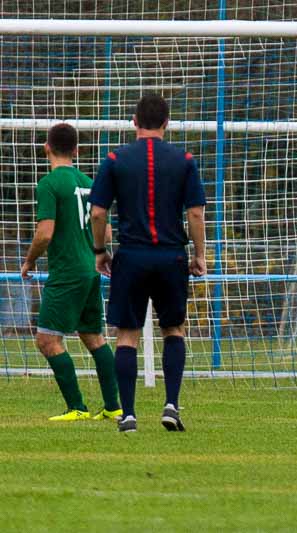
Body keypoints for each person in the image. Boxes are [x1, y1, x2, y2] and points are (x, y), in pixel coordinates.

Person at [89, 94, 207, 433]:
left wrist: (100, 250)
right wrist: (199, 254)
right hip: (171, 256)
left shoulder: (115, 159)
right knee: (173, 329)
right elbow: (195, 213)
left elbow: (97, 212)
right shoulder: (184, 160)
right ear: (167, 123)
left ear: (134, 121)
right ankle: (171, 405)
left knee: (127, 334)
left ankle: (128, 415)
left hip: (132, 256)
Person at [21, 123, 121, 422]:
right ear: (76, 150)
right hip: (91, 269)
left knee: (46, 340)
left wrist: (29, 261)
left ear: (46, 148)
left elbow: (45, 233)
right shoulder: (90, 182)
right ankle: (113, 406)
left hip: (66, 272)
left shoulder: (49, 183)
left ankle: (77, 407)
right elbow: (107, 231)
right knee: (93, 337)